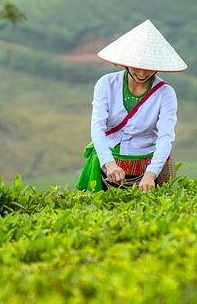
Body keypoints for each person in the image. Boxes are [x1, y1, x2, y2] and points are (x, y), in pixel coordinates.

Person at [76, 20, 186, 193]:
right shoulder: (106, 84)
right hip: (109, 162)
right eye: (137, 66)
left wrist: (151, 174)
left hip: (147, 164)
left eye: (148, 68)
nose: (142, 73)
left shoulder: (166, 93)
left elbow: (166, 137)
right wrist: (110, 164)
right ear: (126, 62)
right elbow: (97, 128)